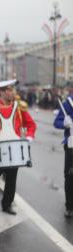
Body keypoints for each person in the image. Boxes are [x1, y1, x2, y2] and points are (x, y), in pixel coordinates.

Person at [0, 79, 36, 217]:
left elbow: (31, 124)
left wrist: (29, 137)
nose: (12, 93)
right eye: (9, 90)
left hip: (14, 151)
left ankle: (7, 204)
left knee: (11, 181)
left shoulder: (18, 107)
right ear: (1, 92)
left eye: (12, 90)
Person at [53, 83, 73, 218]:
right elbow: (57, 122)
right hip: (72, 145)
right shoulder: (68, 104)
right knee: (70, 176)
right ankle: (69, 206)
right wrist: (64, 123)